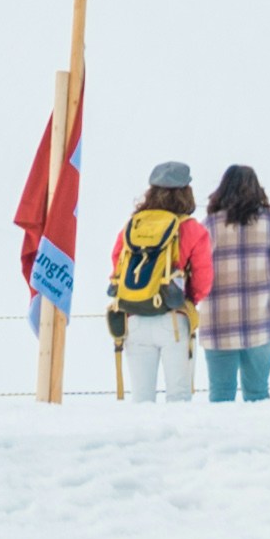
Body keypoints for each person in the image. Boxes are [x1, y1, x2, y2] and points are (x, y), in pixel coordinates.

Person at [101, 163, 209, 401]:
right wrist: (189, 301)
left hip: (134, 319)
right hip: (173, 319)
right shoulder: (191, 229)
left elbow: (117, 263)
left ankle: (141, 438)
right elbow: (203, 278)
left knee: (141, 398)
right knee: (179, 397)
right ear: (186, 191)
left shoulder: (132, 226)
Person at [195, 164, 270, 399]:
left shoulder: (208, 226)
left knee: (220, 393)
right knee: (258, 391)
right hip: (262, 319)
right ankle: (259, 436)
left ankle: (220, 436)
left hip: (217, 323)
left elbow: (195, 268)